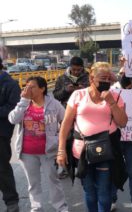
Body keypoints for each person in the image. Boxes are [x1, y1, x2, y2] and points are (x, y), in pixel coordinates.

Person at [56, 62, 128, 212]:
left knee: (103, 192)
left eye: (109, 78)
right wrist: (61, 150)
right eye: (103, 78)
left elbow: (122, 122)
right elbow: (66, 124)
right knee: (89, 191)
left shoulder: (115, 96)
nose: (106, 81)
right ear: (91, 78)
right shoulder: (78, 95)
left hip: (106, 151)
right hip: (82, 152)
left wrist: (111, 102)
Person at [8, 76, 68, 212]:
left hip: (49, 151)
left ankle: (61, 207)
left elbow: (65, 121)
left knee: (54, 181)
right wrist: (23, 101)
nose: (28, 89)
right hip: (27, 152)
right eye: (26, 86)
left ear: (42, 89)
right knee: (33, 183)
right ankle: (36, 207)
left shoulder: (54, 104)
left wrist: (58, 140)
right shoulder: (24, 103)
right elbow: (12, 119)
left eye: (32, 86)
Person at [110, 67, 132, 212]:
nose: (129, 89)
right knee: (113, 169)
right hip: (115, 138)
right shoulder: (112, 92)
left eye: (131, 87)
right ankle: (112, 199)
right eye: (127, 87)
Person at [53, 56, 89, 179]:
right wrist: (66, 90)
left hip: (84, 115)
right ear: (70, 68)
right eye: (74, 70)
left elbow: (95, 92)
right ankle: (65, 168)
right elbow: (56, 95)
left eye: (79, 70)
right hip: (66, 113)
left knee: (82, 140)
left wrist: (83, 90)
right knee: (66, 140)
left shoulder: (89, 77)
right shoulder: (62, 78)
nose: (77, 72)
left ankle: (82, 166)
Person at [0, 57, 20, 212]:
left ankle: (11, 202)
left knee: (2, 168)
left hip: (1, 133)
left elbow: (13, 108)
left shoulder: (10, 84)